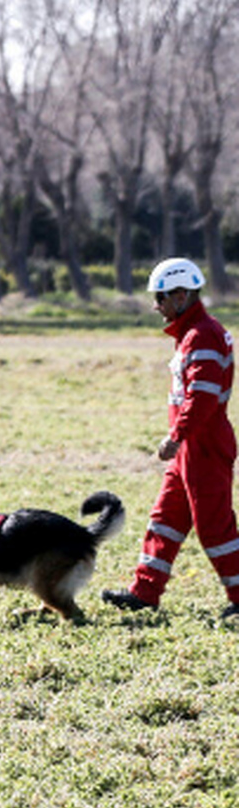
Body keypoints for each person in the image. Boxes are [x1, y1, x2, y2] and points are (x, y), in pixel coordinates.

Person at [102, 257, 239, 621]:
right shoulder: (192, 333)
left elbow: (203, 397)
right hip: (191, 449)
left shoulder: (202, 335)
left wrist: (176, 437)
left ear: (181, 296)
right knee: (165, 520)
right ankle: (144, 593)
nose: (155, 305)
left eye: (160, 297)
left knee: (215, 528)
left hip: (203, 448)